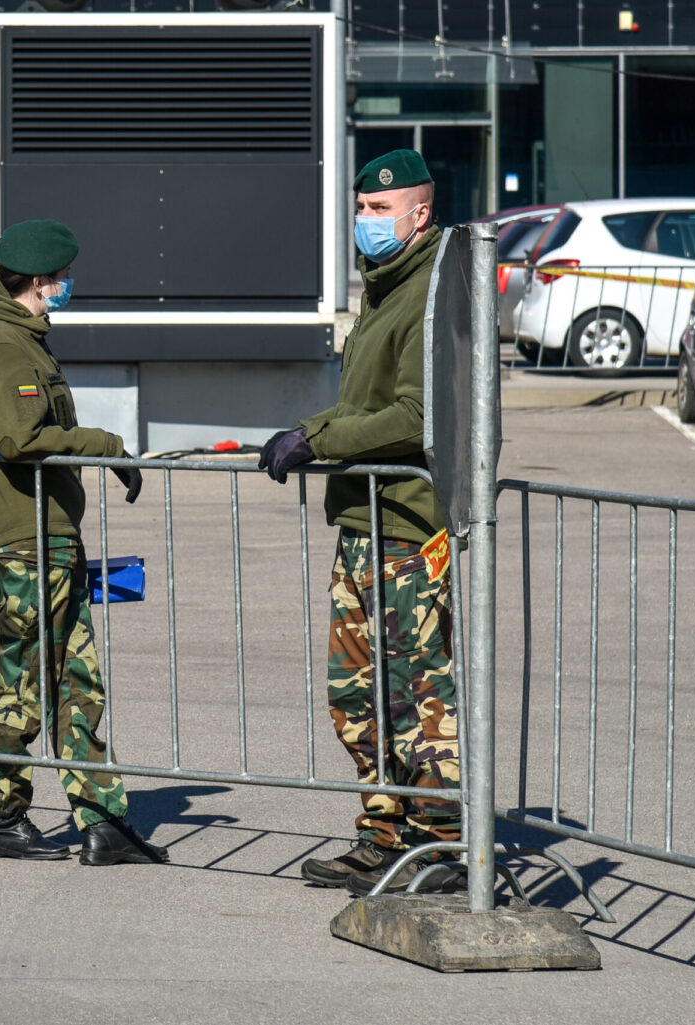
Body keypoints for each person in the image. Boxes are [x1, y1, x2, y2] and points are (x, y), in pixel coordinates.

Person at [257, 149, 462, 896]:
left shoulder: (435, 291)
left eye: (381, 210)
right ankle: (383, 833)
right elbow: (361, 404)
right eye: (362, 209)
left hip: (409, 527)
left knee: (418, 694)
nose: (365, 222)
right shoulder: (383, 288)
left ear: (420, 215)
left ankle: (442, 842)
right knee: (360, 694)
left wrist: (321, 441)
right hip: (362, 522)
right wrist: (312, 429)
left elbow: (415, 415)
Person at [0, 218, 168, 867]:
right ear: (41, 281)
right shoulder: (3, 347)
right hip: (25, 538)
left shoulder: (25, 340)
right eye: (63, 276)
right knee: (25, 678)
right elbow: (19, 439)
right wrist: (105, 446)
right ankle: (2, 814)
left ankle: (101, 819)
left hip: (51, 536)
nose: (69, 285)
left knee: (77, 678)